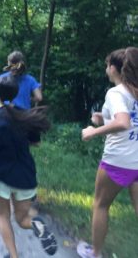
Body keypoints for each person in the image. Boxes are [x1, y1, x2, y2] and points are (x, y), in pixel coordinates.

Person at [0, 75, 57, 258]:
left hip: (2, 173)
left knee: (3, 216)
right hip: (25, 174)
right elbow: (36, 143)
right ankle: (38, 224)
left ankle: (14, 256)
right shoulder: (27, 115)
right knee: (22, 219)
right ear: (17, 93)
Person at [77, 47, 138, 258]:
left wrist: (93, 131)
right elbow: (131, 121)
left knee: (101, 205)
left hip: (118, 161)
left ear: (114, 68)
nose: (106, 69)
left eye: (107, 65)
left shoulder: (116, 92)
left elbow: (123, 122)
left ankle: (96, 253)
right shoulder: (135, 91)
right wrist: (103, 119)